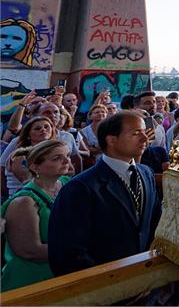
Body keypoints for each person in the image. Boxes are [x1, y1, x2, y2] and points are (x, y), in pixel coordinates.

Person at [48, 111, 161, 276]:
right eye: (136, 133)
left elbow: (155, 223)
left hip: (144, 276)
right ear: (111, 140)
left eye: (144, 132)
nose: (145, 138)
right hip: (103, 286)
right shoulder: (81, 187)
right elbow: (69, 252)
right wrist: (114, 282)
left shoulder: (146, 173)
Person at [0, 140, 71, 290]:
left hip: (64, 273)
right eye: (57, 158)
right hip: (32, 280)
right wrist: (81, 246)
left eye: (67, 155)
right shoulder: (25, 201)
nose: (66, 161)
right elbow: (30, 251)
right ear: (35, 167)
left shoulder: (66, 184)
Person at [1, 116, 56, 197]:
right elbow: (27, 181)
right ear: (28, 135)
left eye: (46, 127)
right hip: (23, 199)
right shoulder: (20, 155)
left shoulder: (52, 152)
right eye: (37, 128)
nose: (43, 130)